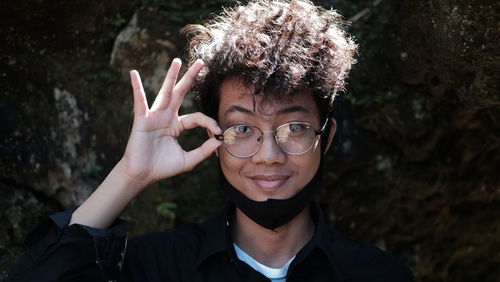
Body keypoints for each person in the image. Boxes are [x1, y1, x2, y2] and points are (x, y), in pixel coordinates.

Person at [7, 0, 414, 281]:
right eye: (242, 129)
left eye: (294, 128)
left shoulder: (376, 274)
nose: (268, 156)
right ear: (215, 136)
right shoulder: (154, 267)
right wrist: (130, 174)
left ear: (326, 138)